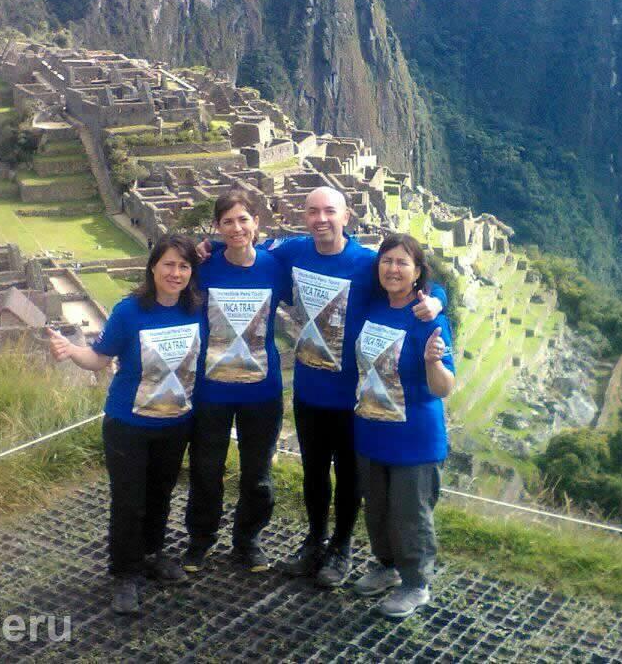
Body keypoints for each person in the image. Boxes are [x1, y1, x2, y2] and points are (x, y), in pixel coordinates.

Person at [225, 187, 446, 588]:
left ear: (346, 217)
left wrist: (439, 301)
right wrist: (205, 246)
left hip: (354, 397)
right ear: (304, 217)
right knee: (313, 472)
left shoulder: (366, 263)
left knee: (349, 476)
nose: (321, 219)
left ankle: (341, 547)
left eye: (330, 211)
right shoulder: (292, 251)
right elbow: (243, 241)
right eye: (313, 212)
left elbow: (416, 282)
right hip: (309, 391)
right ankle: (314, 540)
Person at [47, 233, 203, 616]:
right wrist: (71, 352)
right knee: (129, 501)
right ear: (153, 267)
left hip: (175, 421)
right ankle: (124, 573)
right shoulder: (130, 311)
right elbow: (100, 358)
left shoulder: (196, 308)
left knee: (160, 495)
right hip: (128, 424)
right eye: (168, 264)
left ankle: (151, 555)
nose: (176, 272)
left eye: (184, 266)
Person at [182, 189, 288, 574]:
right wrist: (202, 246)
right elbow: (166, 267)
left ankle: (248, 541)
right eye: (227, 221)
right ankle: (200, 539)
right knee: (206, 468)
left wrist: (436, 296)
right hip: (212, 388)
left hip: (262, 389)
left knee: (257, 473)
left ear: (257, 222)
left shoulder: (275, 266)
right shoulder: (203, 266)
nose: (237, 227)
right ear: (217, 227)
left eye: (244, 219)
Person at [350, 233, 455, 618]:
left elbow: (444, 386)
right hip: (372, 429)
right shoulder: (373, 306)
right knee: (376, 508)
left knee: (410, 513)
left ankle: (416, 583)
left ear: (416, 272)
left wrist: (433, 362)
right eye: (387, 262)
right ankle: (387, 567)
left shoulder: (429, 316)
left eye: (402, 263)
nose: (393, 269)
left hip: (415, 437)